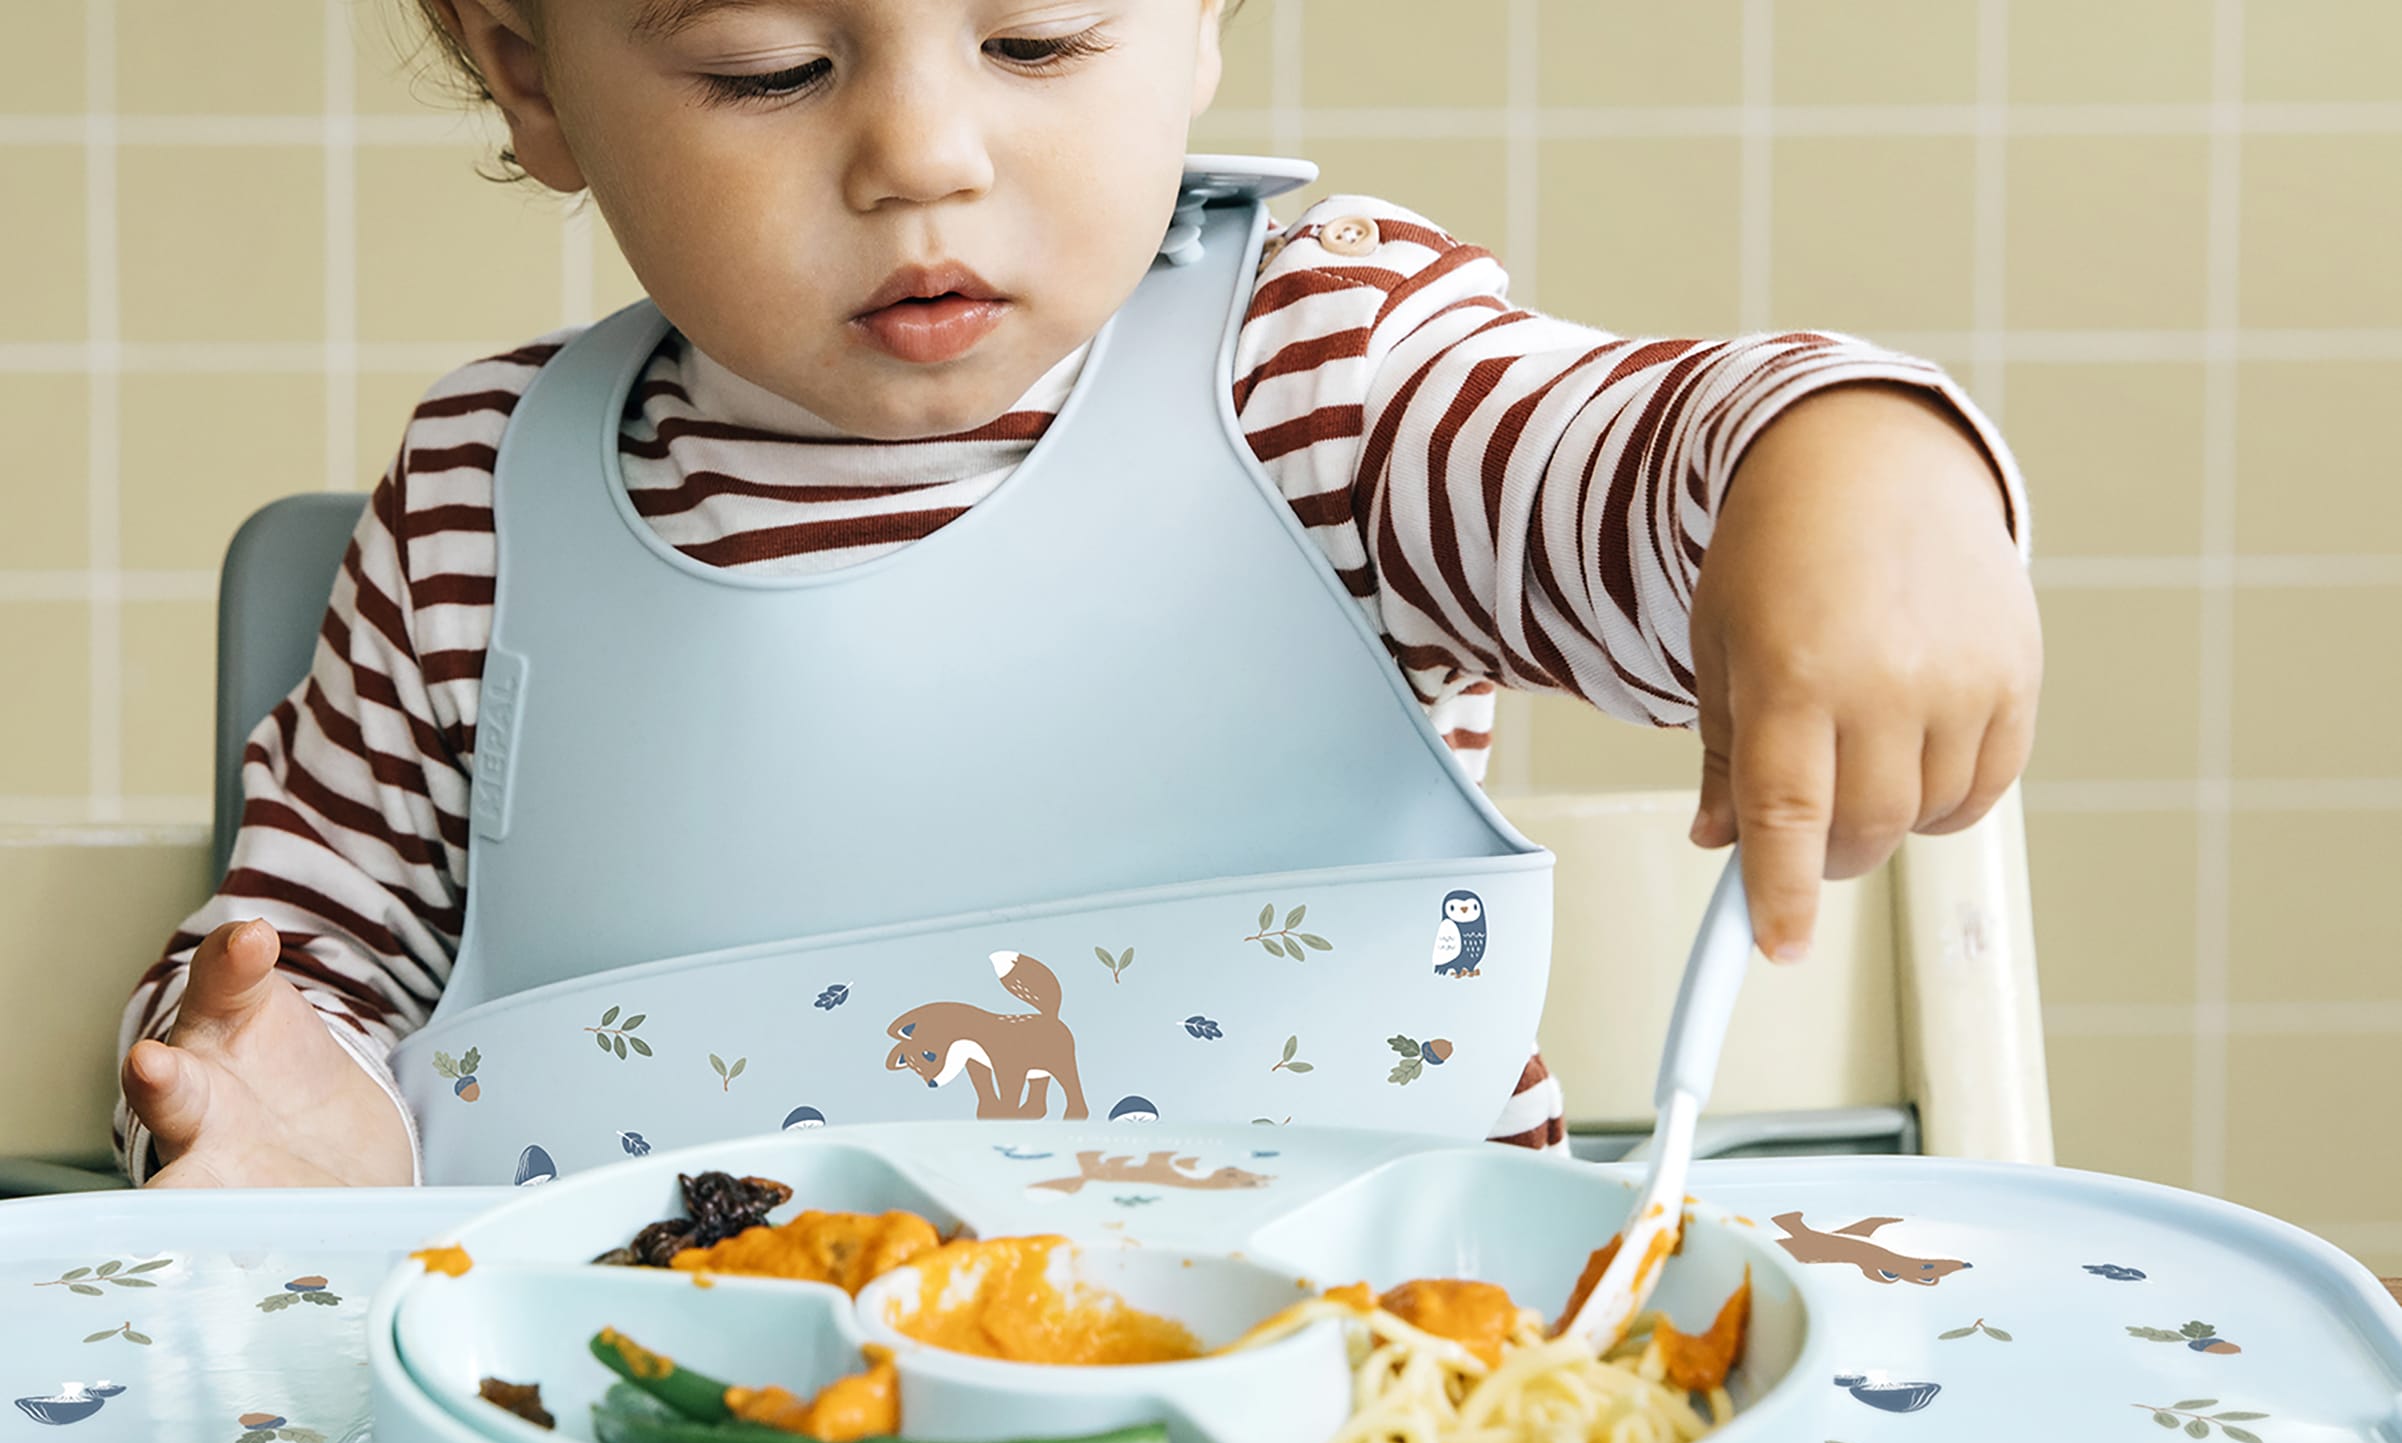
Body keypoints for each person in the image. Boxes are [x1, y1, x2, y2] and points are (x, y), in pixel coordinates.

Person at [114, 0, 2039, 1188]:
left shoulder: (1329, 385)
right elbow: (302, 977)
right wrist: (283, 1126)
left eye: (1035, 39)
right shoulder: (482, 500)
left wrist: (1846, 468)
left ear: (1200, 21)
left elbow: (1647, 469)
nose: (922, 156)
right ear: (533, 78)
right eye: (768, 67)